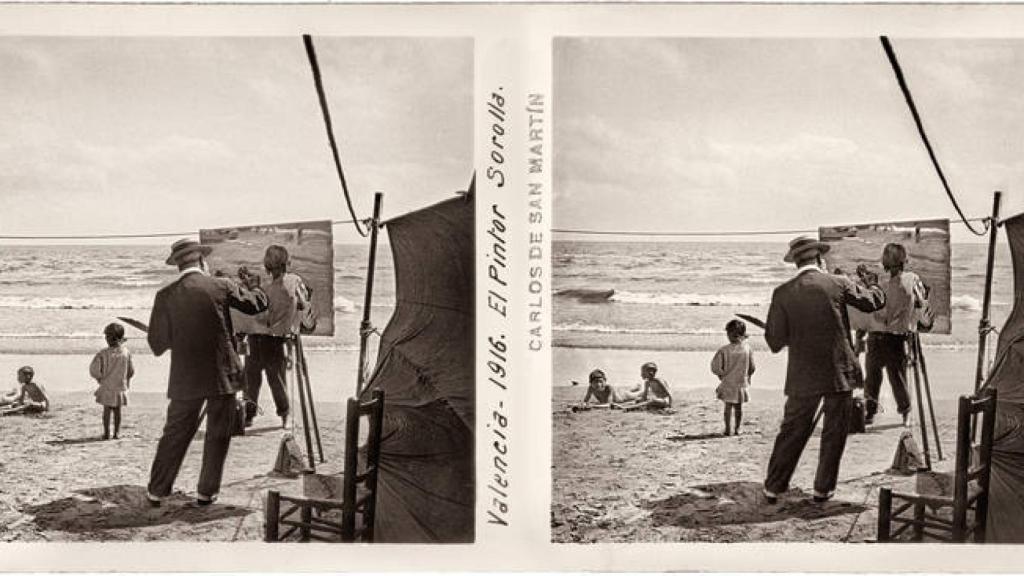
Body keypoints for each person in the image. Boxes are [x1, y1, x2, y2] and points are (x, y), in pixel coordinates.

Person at [762, 235, 886, 504]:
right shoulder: (838, 283)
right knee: (834, 434)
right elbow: (873, 303)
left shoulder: (782, 293)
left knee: (792, 432)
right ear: (820, 258)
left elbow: (774, 342)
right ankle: (823, 490)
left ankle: (774, 487)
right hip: (838, 372)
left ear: (796, 263)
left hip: (802, 375)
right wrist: (873, 284)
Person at [145, 238, 268, 507]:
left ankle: (157, 490)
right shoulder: (221, 285)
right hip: (222, 374)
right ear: (202, 260)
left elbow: (156, 345)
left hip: (185, 377)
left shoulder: (165, 295)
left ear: (178, 265)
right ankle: (206, 493)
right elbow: (257, 305)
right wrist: (253, 286)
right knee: (217, 435)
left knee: (175, 434)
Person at [862, 243, 930, 427]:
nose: (891, 267)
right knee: (873, 377)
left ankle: (904, 411)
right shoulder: (882, 282)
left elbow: (922, 302)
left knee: (895, 377)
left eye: (892, 263)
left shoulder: (909, 279)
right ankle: (870, 412)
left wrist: (914, 323)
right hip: (878, 335)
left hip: (895, 337)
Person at [242, 246, 311, 429]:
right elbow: (303, 308)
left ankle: (277, 415)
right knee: (261, 380)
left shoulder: (285, 282)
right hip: (263, 338)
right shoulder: (277, 282)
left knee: (266, 380)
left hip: (267, 338)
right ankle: (259, 416)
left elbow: (302, 306)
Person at [90, 322, 135, 440]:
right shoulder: (126, 352)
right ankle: (116, 433)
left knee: (107, 411)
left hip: (107, 386)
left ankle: (106, 433)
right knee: (117, 411)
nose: (105, 338)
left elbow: (93, 369)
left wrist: (99, 378)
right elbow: (131, 370)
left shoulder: (103, 353)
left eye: (106, 336)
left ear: (110, 338)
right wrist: (127, 380)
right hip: (120, 385)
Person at [712, 319, 755, 436]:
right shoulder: (747, 349)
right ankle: (737, 428)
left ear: (729, 334)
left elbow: (715, 366)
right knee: (738, 408)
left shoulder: (724, 350)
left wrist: (721, 374)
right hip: (741, 382)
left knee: (728, 407)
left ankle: (727, 429)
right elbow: (752, 366)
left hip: (728, 382)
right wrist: (749, 376)